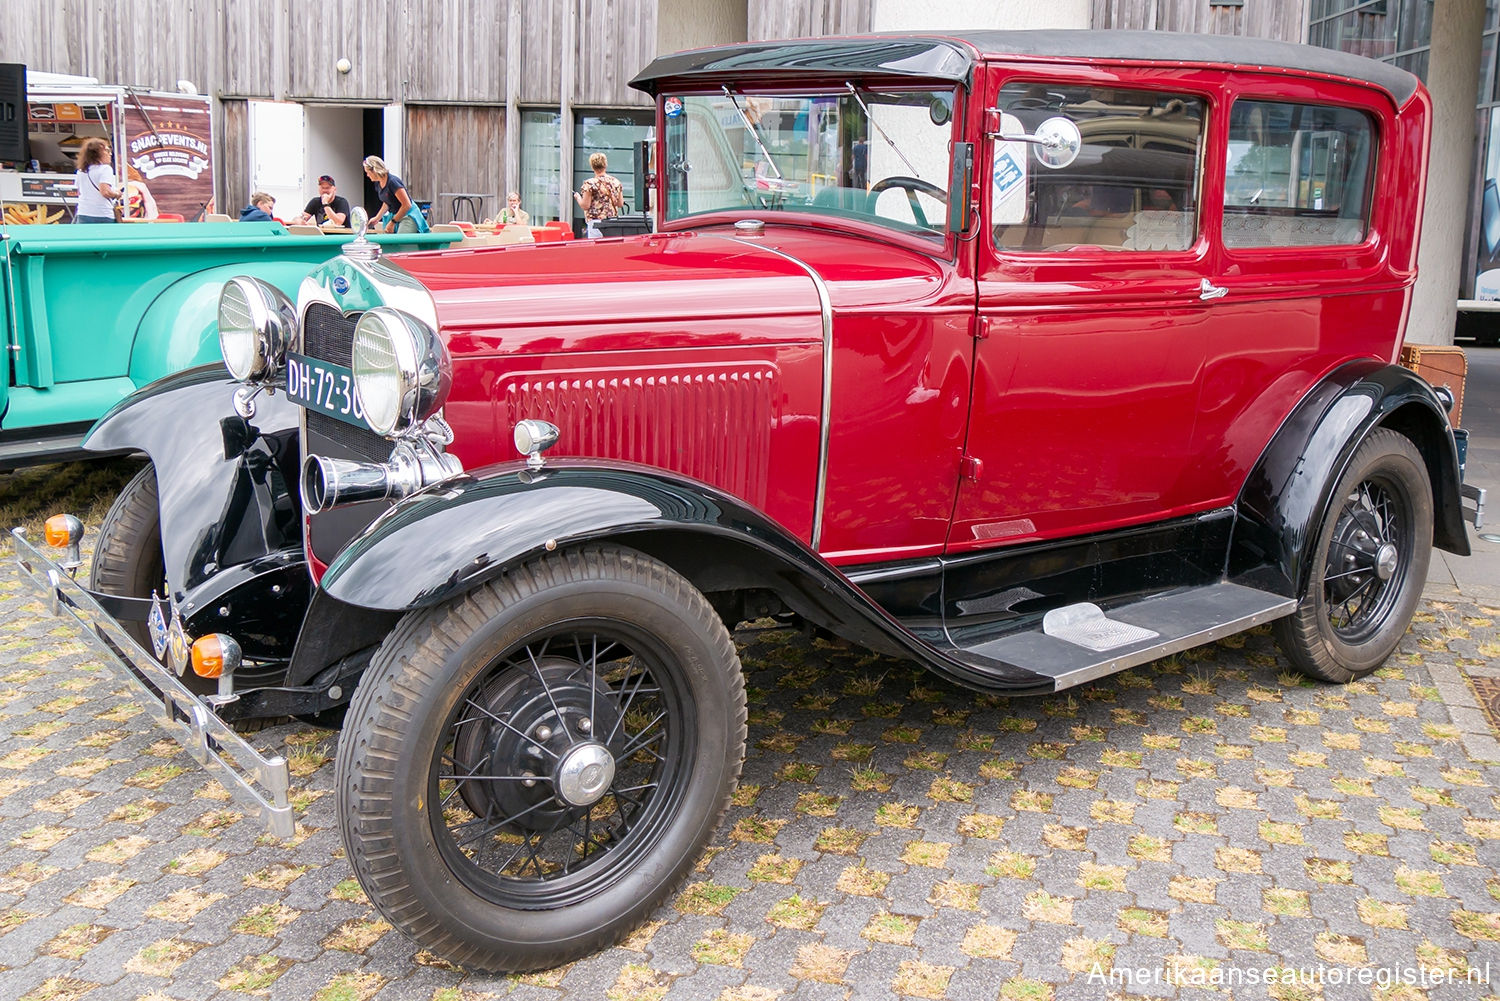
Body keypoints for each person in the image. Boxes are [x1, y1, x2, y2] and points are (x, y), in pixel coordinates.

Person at [363, 155, 428, 233]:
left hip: (407, 214)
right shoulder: (378, 183)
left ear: (374, 170)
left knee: (402, 242)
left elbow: (407, 205)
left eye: (368, 172)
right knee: (387, 241)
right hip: (394, 214)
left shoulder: (393, 182)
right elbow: (387, 201)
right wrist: (377, 217)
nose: (367, 175)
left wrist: (392, 222)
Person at [73, 137, 122, 224]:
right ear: (97, 154)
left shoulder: (81, 171)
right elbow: (105, 192)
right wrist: (117, 193)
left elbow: (79, 192)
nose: (110, 154)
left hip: (83, 212)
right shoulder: (105, 169)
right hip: (102, 213)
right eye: (107, 150)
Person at [574, 152, 623, 237]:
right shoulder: (615, 182)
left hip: (595, 222)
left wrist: (578, 197)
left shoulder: (589, 184)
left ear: (592, 166)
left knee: (596, 248)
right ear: (605, 164)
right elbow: (620, 204)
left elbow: (585, 205)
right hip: (612, 223)